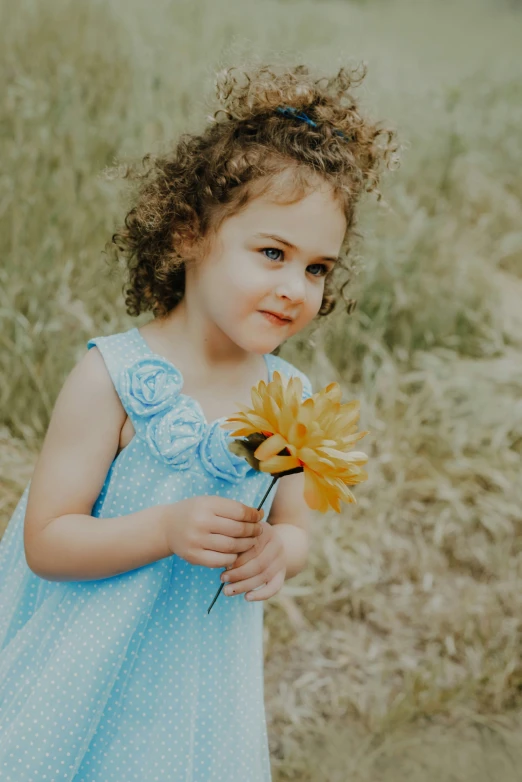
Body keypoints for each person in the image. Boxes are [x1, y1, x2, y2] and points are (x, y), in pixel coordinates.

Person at [0, 62, 397, 781]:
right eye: (272, 253)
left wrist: (281, 551)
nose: (294, 288)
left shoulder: (288, 398)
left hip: (195, 676)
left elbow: (295, 528)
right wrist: (165, 529)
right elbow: (48, 542)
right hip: (84, 659)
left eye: (316, 269)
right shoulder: (114, 379)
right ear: (188, 234)